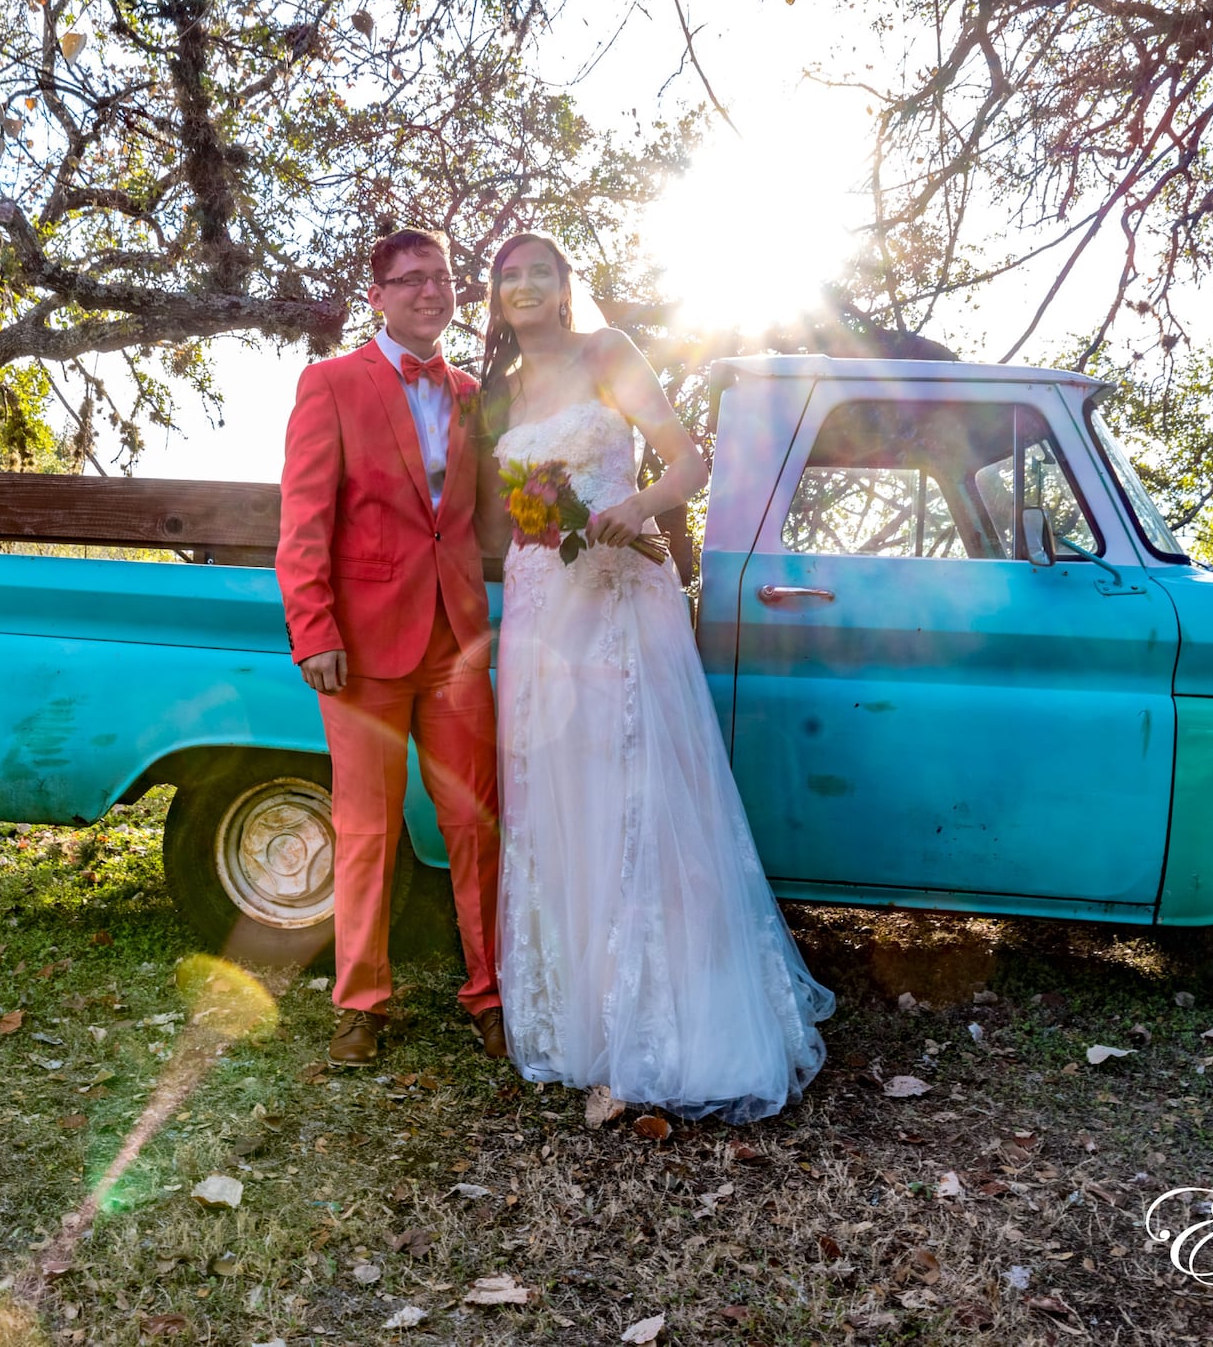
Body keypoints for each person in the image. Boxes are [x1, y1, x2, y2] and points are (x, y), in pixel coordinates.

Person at [479, 231, 834, 1122]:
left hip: (615, 595)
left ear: (565, 286)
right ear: (494, 296)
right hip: (536, 605)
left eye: (540, 272)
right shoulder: (504, 388)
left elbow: (688, 461)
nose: (524, 285)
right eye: (507, 274)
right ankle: (583, 1018)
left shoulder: (610, 352)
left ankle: (665, 1020)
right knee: (558, 791)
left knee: (635, 786)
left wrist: (631, 506)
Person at [275, 227, 508, 1067]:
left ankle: (489, 995)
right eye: (410, 281)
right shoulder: (332, 383)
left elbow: (484, 521)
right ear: (376, 296)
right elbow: (303, 523)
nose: (430, 293)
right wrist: (314, 633)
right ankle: (362, 1004)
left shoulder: (475, 395)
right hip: (362, 649)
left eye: (441, 279)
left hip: (458, 642)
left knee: (476, 825)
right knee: (367, 828)